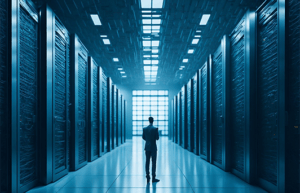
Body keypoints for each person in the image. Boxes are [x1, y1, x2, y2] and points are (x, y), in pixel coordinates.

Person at [142, 117, 160, 183]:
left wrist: (148, 140)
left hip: (147, 147)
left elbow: (143, 137)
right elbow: (157, 138)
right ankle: (153, 177)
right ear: (153, 121)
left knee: (147, 161)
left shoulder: (144, 129)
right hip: (153, 147)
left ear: (148, 121)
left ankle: (147, 176)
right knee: (154, 162)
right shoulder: (155, 129)